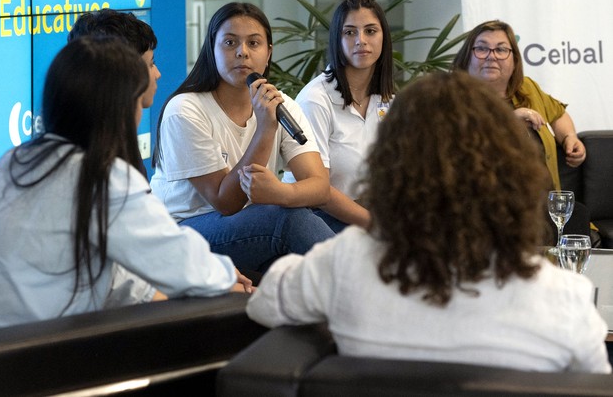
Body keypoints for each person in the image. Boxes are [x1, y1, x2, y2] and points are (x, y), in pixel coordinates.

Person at [247, 71, 611, 373]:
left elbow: (263, 305)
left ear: (391, 163)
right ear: (510, 169)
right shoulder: (566, 301)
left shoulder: (342, 265)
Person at [0, 37, 250, 328]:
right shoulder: (101, 176)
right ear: (119, 108)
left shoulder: (16, 160)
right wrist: (224, 277)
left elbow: (104, 270)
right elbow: (180, 265)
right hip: (24, 356)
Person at [151, 2, 335, 274]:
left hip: (248, 227)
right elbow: (226, 203)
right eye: (229, 42)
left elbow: (319, 187)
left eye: (254, 43)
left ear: (268, 52)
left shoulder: (281, 104)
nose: (242, 52)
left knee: (298, 245)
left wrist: (280, 192)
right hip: (182, 233)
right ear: (211, 49)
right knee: (287, 221)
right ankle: (365, 294)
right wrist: (265, 128)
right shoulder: (185, 110)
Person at [282, 0, 395, 232]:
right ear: (337, 39)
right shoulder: (316, 99)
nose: (361, 41)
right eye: (350, 32)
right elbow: (319, 192)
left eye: (370, 31)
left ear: (383, 37)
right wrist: (375, 225)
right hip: (318, 217)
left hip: (371, 213)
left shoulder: (388, 99)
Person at [452, 20, 586, 190]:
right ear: (467, 57)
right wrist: (508, 121)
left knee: (583, 214)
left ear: (514, 60)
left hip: (543, 203)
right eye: (481, 48)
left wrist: (569, 137)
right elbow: (458, 153)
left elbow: (558, 113)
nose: (491, 56)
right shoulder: (453, 98)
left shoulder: (526, 87)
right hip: (487, 207)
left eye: (501, 49)